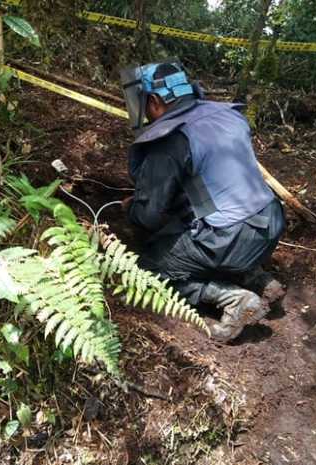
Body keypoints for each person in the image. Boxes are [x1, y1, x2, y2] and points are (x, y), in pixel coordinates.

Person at [120, 59, 286, 342]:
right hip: (270, 223)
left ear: (155, 101)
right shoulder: (227, 114)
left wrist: (136, 208)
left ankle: (232, 299)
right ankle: (256, 277)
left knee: (148, 271)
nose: (144, 113)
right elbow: (208, 184)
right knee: (202, 225)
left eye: (143, 104)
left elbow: (147, 217)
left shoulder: (170, 139)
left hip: (229, 238)